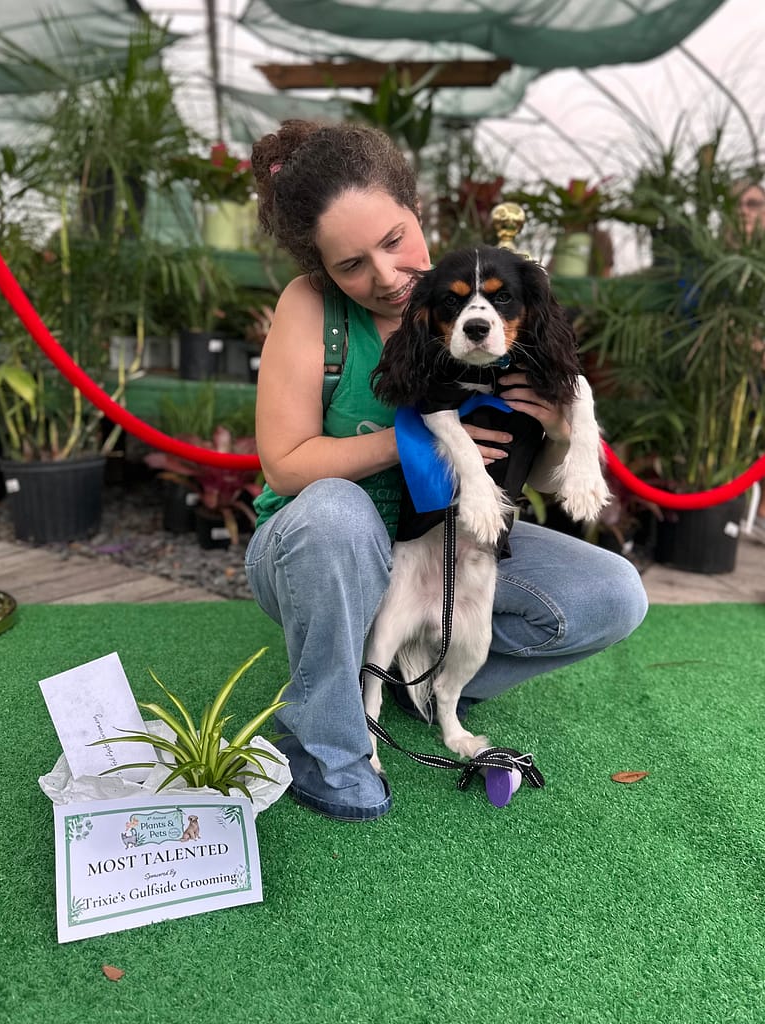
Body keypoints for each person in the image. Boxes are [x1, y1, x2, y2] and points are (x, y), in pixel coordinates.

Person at [244, 120, 648, 822]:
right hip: (320, 547)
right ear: (321, 269)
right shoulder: (311, 310)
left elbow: (545, 481)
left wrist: (556, 426)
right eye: (351, 265)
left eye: (394, 240)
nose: (386, 275)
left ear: (415, 208)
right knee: (338, 512)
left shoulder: (466, 303)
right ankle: (329, 740)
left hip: (448, 534)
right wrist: (419, 442)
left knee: (611, 593)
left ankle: (423, 679)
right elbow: (284, 467)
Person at [732, 179, 765, 537]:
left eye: (754, 204)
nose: (744, 211)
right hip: (722, 376)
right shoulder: (709, 265)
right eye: (738, 204)